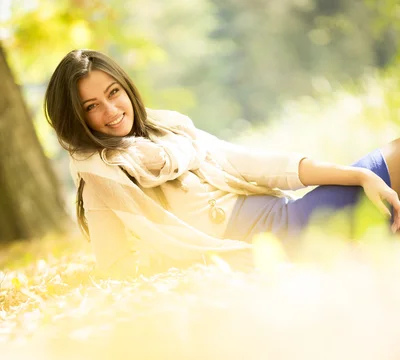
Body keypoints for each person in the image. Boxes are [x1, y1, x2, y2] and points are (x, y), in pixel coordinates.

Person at [44, 49, 400, 275]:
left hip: (291, 212)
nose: (110, 111)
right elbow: (116, 266)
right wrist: (199, 260)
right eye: (91, 107)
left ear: (126, 88)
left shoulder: (172, 131)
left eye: (113, 93)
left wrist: (358, 176)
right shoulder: (101, 178)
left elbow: (260, 164)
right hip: (275, 239)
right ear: (77, 117)